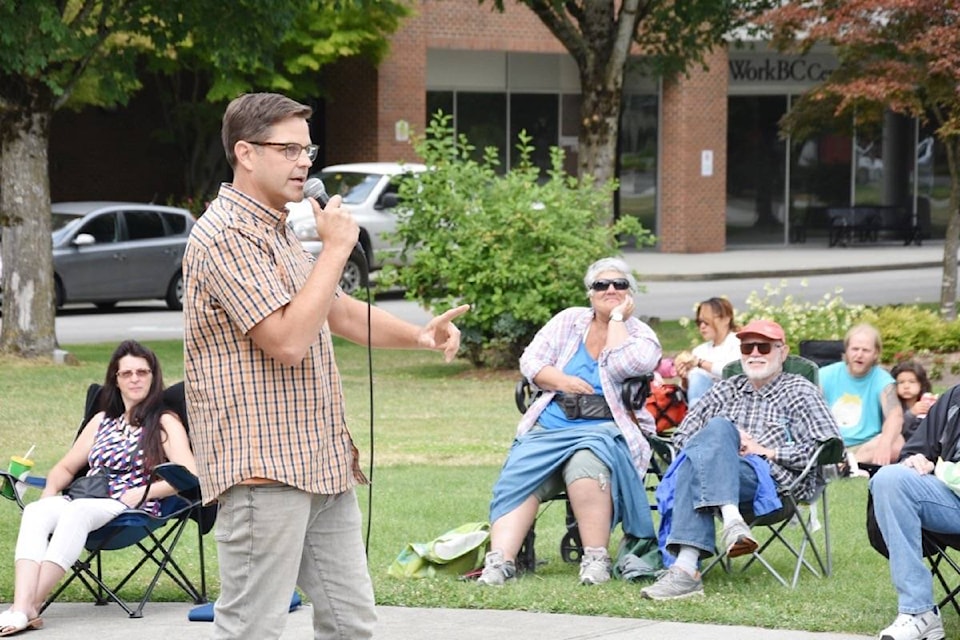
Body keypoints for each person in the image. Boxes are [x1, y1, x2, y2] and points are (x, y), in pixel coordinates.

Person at [182, 92, 469, 640]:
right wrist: (336, 249)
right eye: (288, 149)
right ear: (245, 152)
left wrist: (419, 335)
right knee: (251, 629)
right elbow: (288, 340)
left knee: (349, 622)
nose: (304, 162)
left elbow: (331, 310)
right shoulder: (223, 236)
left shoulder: (276, 228)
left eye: (307, 149)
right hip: (263, 470)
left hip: (319, 461)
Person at [476, 257, 661, 587]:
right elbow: (530, 361)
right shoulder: (568, 321)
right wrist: (562, 381)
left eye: (619, 285)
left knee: (586, 468)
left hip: (604, 429)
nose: (610, 290)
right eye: (601, 285)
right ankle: (500, 562)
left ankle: (595, 559)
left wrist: (617, 319)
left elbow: (621, 365)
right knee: (519, 476)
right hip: (551, 425)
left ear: (630, 293)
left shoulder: (641, 336)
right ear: (589, 293)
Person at [0, 340, 196, 636]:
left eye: (142, 372)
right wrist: (49, 497)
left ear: (153, 377)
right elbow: (64, 469)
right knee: (37, 512)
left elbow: (189, 475)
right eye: (126, 373)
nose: (135, 379)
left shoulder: (164, 422)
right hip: (86, 495)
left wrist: (145, 493)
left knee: (76, 511)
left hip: (132, 506)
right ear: (115, 380)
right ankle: (24, 607)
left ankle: (25, 607)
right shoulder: (102, 421)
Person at [639, 319, 841, 600]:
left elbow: (829, 445)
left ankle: (685, 569)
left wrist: (767, 451)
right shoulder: (725, 389)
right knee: (717, 433)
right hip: (719, 478)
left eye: (763, 346)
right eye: (747, 346)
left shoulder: (800, 391)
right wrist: (724, 445)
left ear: (782, 352)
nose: (755, 353)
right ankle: (728, 525)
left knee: (710, 443)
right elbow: (684, 436)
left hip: (773, 485)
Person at [869, 383, 960, 640]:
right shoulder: (955, 397)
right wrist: (916, 459)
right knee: (891, 478)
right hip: (952, 503)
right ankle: (919, 612)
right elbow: (917, 448)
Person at [819, 324, 903, 466]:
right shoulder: (824, 375)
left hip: (865, 446)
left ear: (876, 353)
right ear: (846, 350)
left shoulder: (882, 380)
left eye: (866, 350)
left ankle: (848, 464)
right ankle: (845, 464)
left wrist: (885, 444)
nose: (859, 355)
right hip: (830, 445)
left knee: (897, 442)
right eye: (855, 349)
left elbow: (895, 415)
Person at [673, 297, 740, 406]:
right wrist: (684, 378)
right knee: (696, 375)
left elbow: (733, 373)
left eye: (707, 322)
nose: (702, 326)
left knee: (698, 375)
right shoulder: (699, 351)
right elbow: (687, 393)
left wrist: (700, 363)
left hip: (733, 404)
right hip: (703, 405)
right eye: (699, 322)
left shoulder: (738, 343)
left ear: (726, 319)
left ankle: (697, 418)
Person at [891, 360, 936, 444]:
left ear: (921, 384)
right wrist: (911, 413)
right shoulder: (894, 406)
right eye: (901, 382)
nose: (906, 386)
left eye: (912, 382)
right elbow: (894, 430)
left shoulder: (926, 401)